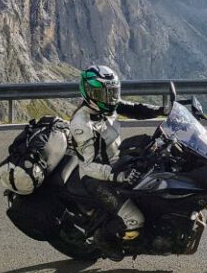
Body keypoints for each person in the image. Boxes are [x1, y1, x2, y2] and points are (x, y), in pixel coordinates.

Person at [70, 65, 166, 260]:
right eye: (104, 93)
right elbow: (89, 166)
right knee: (135, 219)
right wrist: (117, 175)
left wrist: (163, 110)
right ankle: (105, 239)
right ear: (89, 93)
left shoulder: (106, 104)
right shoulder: (82, 124)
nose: (111, 98)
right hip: (97, 177)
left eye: (112, 92)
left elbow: (134, 109)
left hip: (118, 161)